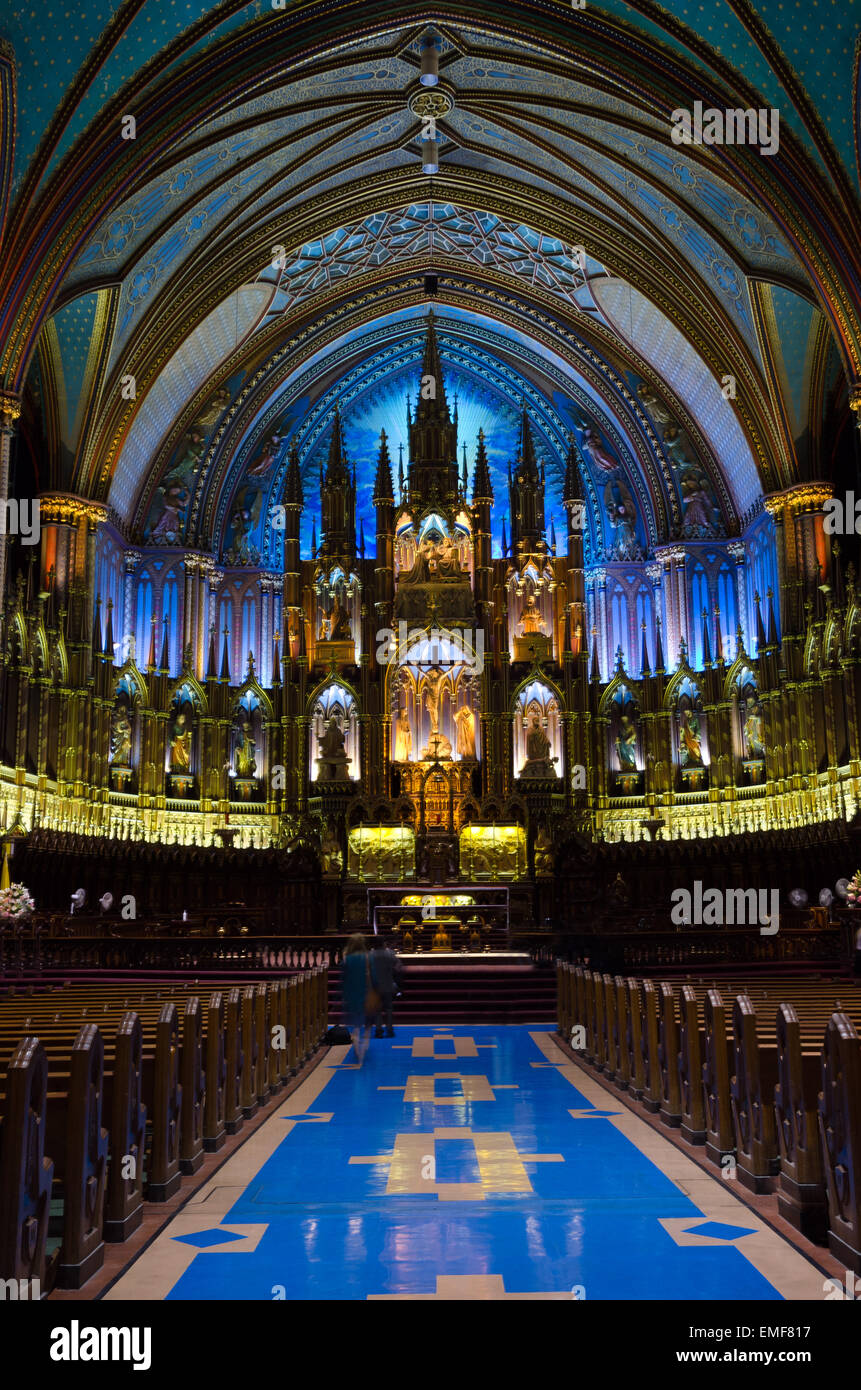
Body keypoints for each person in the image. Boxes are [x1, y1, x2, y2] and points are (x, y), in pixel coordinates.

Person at [341, 933, 374, 1060]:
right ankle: (364, 1043)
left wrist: (343, 993)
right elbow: (372, 976)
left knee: (355, 1021)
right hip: (364, 990)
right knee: (367, 1020)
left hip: (351, 991)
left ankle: (355, 1038)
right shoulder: (367, 957)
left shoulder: (346, 958)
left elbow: (343, 978)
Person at [370, 937, 399, 1038]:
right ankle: (389, 1029)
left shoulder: (370, 955)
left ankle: (378, 1030)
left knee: (377, 1009)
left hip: (375, 985)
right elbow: (397, 966)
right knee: (389, 1008)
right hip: (388, 984)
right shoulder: (390, 953)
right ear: (383, 944)